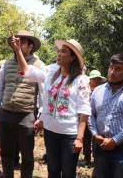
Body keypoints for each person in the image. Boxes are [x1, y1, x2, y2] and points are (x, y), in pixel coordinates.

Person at [12, 38, 91, 178]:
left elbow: (84, 111)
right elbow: (28, 71)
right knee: (53, 170)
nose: (59, 54)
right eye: (59, 51)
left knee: (68, 172)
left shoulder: (81, 80)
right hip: (50, 131)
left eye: (64, 52)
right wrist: (18, 50)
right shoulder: (51, 71)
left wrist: (79, 138)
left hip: (69, 134)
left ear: (73, 57)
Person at [0, 30, 44, 178]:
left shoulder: (39, 65)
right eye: (16, 41)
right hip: (6, 113)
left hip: (26, 115)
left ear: (30, 46)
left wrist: (40, 115)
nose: (17, 44)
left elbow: (42, 92)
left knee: (27, 156)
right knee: (7, 153)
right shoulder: (6, 64)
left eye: (22, 42)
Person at [81, 69, 106, 166]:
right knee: (86, 139)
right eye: (94, 79)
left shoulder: (102, 91)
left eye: (98, 79)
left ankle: (96, 159)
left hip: (97, 118)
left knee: (96, 139)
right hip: (86, 118)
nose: (96, 81)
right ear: (90, 80)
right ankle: (87, 158)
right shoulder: (85, 90)